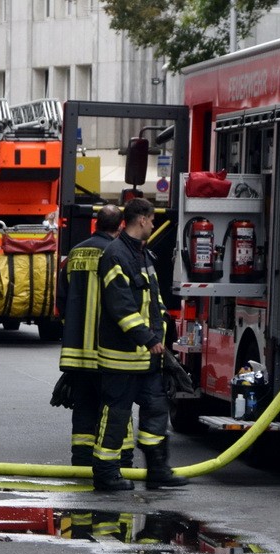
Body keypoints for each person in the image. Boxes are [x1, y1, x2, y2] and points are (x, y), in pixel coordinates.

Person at [92, 198, 190, 491]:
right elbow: (120, 306)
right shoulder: (115, 255)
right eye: (152, 220)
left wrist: (161, 339)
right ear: (142, 220)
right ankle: (106, 472)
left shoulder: (142, 254)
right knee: (117, 416)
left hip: (148, 360)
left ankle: (158, 468)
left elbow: (154, 301)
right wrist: (148, 339)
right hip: (122, 359)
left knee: (157, 410)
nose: (154, 225)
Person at [55, 204, 130, 467]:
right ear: (121, 226)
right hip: (110, 353)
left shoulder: (75, 254)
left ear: (96, 224)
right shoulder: (119, 253)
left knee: (84, 405)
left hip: (77, 352)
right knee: (116, 406)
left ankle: (82, 458)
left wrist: (72, 329)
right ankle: (120, 461)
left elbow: (61, 299)